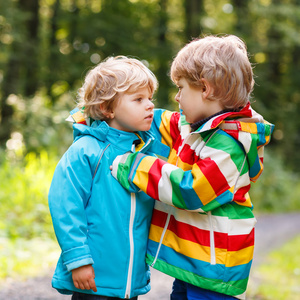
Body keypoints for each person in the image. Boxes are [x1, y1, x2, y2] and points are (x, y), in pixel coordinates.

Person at [111, 35, 274, 299]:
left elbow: (191, 191)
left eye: (181, 88)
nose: (176, 97)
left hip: (215, 271)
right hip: (195, 265)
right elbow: (158, 120)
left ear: (205, 90)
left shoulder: (230, 144)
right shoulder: (196, 126)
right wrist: (102, 108)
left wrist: (135, 167)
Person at [48, 56, 169, 300]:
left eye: (150, 98)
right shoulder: (86, 150)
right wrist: (78, 259)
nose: (150, 106)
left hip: (129, 281)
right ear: (107, 108)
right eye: (138, 99)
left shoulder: (146, 150)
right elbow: (65, 204)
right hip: (93, 278)